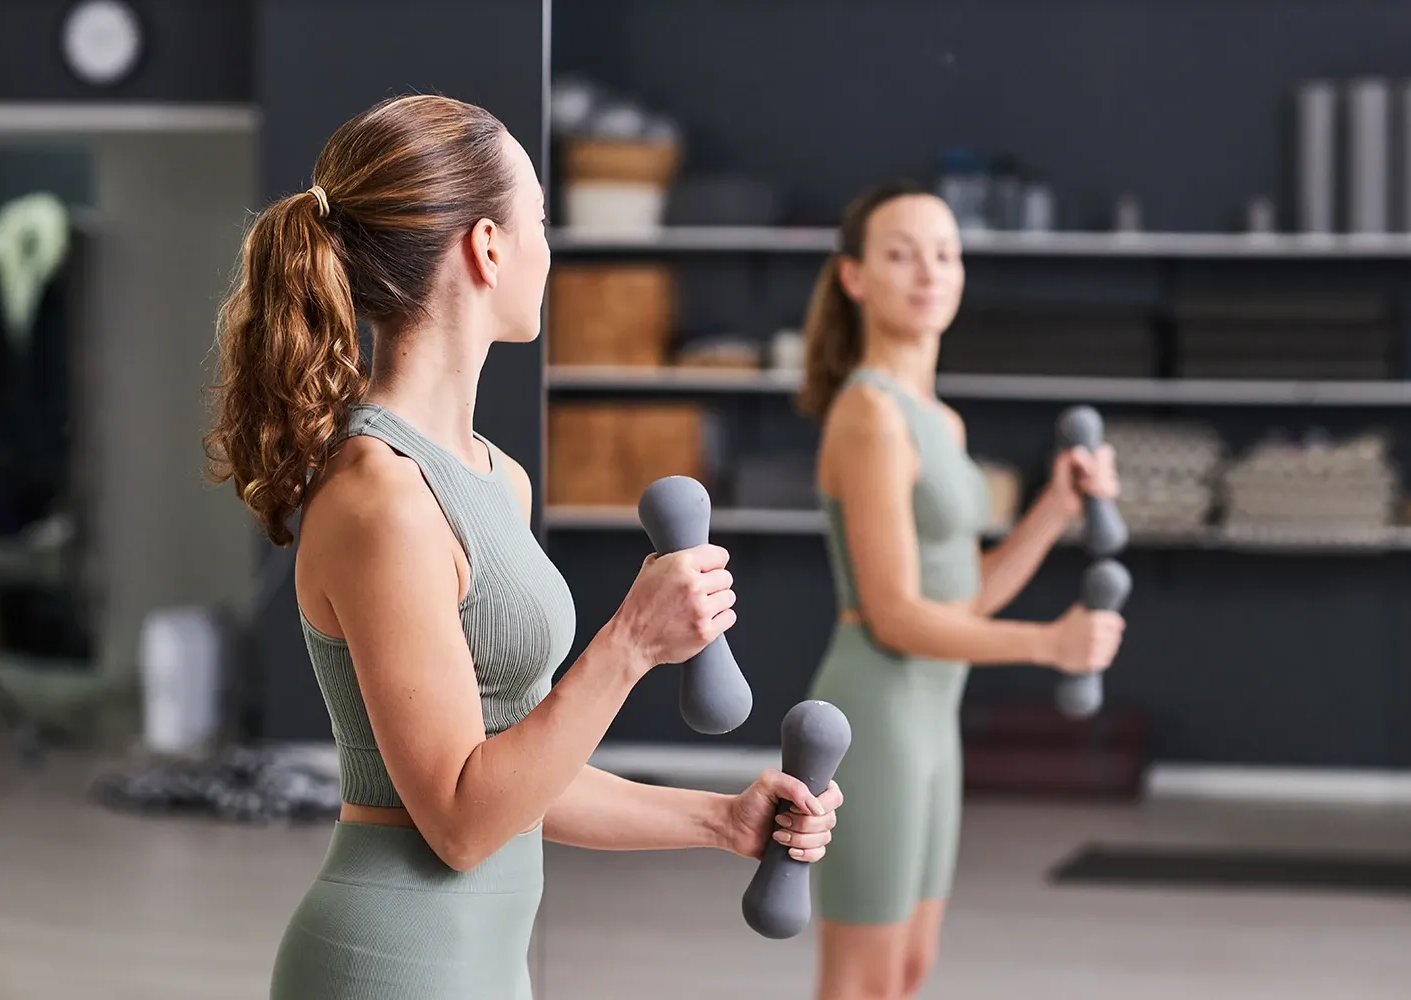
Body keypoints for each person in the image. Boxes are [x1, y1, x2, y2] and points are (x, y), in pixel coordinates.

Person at [204, 94, 843, 1000]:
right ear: (488, 246)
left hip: (483, 966)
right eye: (541, 219)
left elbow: (515, 781)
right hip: (393, 965)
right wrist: (630, 645)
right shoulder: (380, 496)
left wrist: (719, 818)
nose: (551, 248)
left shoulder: (493, 479)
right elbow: (462, 821)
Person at [797, 182, 1123, 1000]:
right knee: (863, 982)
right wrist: (1050, 644)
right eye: (901, 254)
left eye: (945, 254)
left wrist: (1055, 509)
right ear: (855, 277)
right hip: (877, 714)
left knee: (908, 970)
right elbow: (897, 616)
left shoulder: (940, 423)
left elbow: (962, 595)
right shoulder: (869, 415)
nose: (928, 272)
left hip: (933, 719)